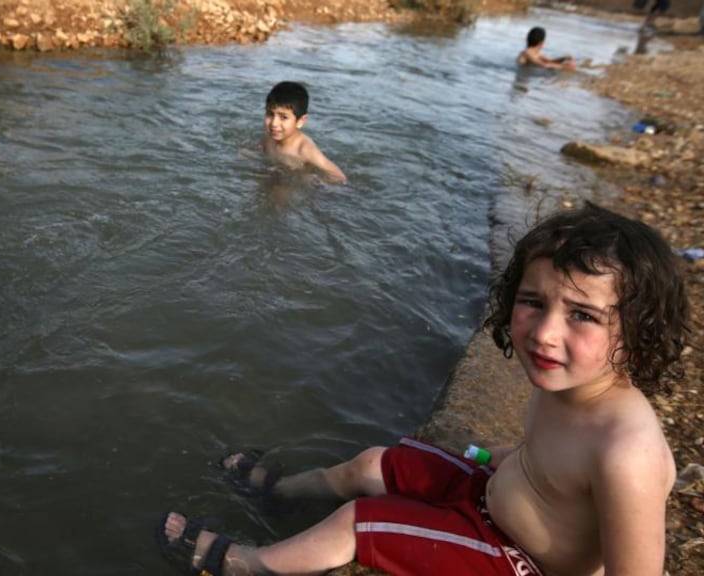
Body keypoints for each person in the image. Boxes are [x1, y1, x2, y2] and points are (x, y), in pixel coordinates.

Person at [157, 202, 689, 575]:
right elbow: (547, 461)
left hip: (519, 560)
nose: (547, 333)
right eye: (533, 302)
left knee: (359, 523)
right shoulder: (569, 381)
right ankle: (279, 492)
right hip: (496, 499)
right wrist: (493, 456)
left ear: (638, 332)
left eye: (582, 315)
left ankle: (251, 564)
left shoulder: (627, 453)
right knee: (373, 463)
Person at [260, 81, 347, 184]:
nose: (274, 123)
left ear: (300, 121)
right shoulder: (269, 138)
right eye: (270, 114)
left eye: (283, 117)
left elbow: (338, 176)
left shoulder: (304, 149)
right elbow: (257, 148)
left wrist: (317, 182)